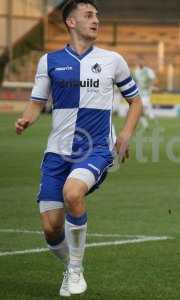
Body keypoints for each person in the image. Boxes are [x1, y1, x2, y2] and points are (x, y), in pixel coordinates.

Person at [14, 0, 142, 296]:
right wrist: (25, 119)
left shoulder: (113, 60)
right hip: (56, 153)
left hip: (95, 149)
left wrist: (124, 133)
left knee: (73, 193)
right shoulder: (50, 61)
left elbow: (135, 100)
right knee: (51, 228)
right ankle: (71, 265)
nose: (96, 19)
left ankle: (74, 270)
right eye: (88, 15)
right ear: (71, 23)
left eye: (97, 15)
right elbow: (36, 103)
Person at [132, 57, 157, 129]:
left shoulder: (148, 71)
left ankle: (150, 113)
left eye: (142, 61)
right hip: (138, 93)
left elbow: (154, 80)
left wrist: (149, 85)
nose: (140, 63)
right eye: (139, 61)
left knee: (140, 107)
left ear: (144, 62)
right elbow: (134, 81)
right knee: (138, 109)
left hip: (146, 94)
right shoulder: (135, 71)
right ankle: (145, 123)